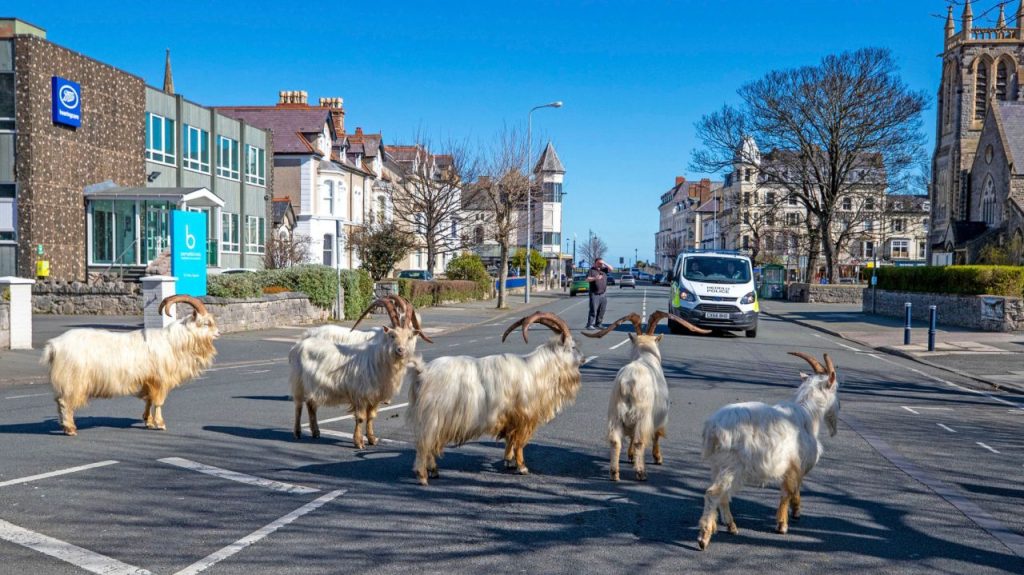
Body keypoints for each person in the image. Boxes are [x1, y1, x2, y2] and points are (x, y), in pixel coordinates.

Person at [585, 258, 613, 330]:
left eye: (601, 263)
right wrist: (595, 278)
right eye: (599, 263)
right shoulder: (591, 270)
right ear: (595, 263)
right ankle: (589, 324)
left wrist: (604, 263)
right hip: (594, 293)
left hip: (603, 294)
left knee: (602, 310)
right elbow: (587, 279)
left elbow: (611, 269)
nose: (600, 264)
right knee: (593, 310)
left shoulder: (604, 270)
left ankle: (598, 324)